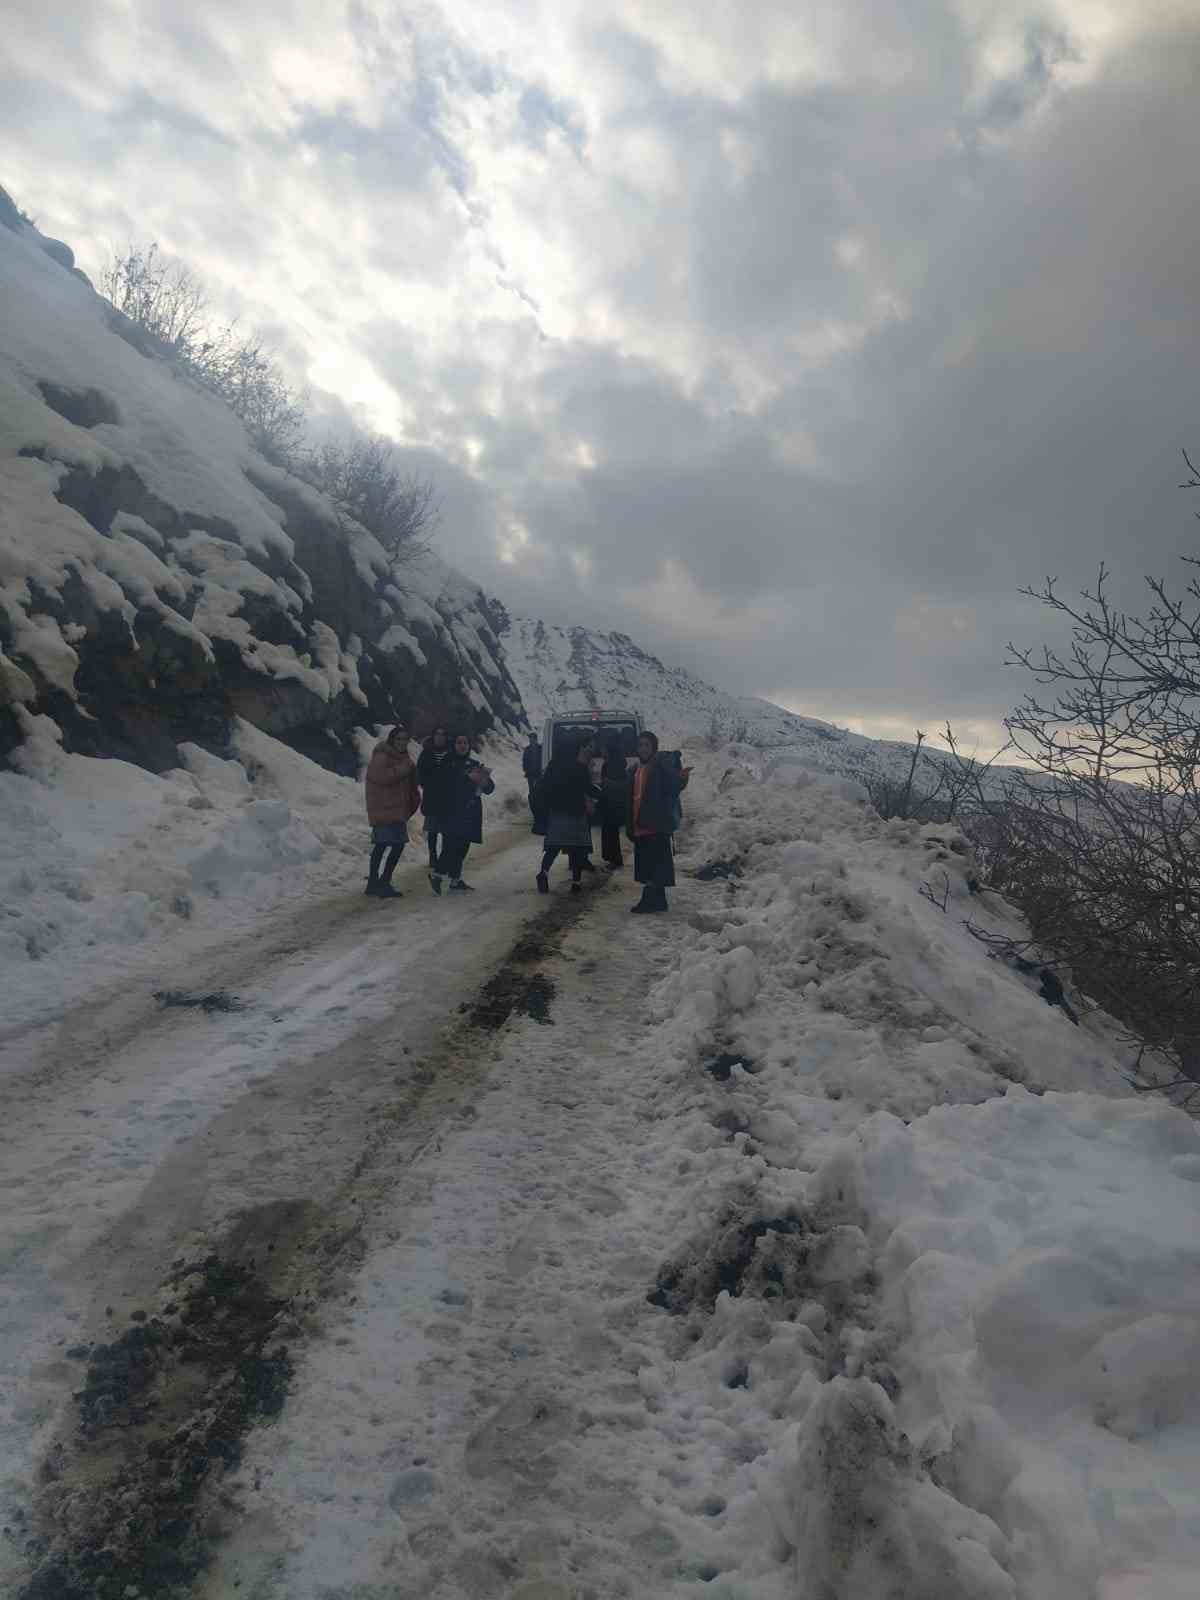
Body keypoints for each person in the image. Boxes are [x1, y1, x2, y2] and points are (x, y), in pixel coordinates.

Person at [626, 731, 691, 913]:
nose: (643, 749)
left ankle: (648, 901)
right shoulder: (638, 769)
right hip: (641, 824)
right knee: (651, 864)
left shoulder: (660, 766)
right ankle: (660, 901)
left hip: (654, 825)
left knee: (651, 865)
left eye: (647, 745)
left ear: (654, 747)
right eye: (640, 745)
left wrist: (682, 779)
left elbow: (673, 785)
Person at [363, 722, 421, 898]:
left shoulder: (402, 757)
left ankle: (378, 882)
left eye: (405, 739)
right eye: (399, 739)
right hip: (384, 810)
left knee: (393, 845)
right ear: (392, 739)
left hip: (395, 810)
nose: (402, 742)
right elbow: (381, 777)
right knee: (384, 846)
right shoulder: (383, 755)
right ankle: (378, 882)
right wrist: (405, 769)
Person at [536, 736, 598, 895]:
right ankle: (576, 883)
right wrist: (602, 793)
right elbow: (588, 788)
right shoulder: (579, 767)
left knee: (552, 848)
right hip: (576, 814)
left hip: (556, 814)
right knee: (577, 850)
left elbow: (543, 788)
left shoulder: (552, 766)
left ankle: (543, 872)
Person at [434, 733, 495, 892]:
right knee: (451, 845)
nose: (462, 745)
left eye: (465, 742)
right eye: (459, 742)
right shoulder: (447, 762)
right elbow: (445, 786)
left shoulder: (474, 764)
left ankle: (455, 880)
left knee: (463, 846)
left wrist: (485, 780)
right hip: (452, 810)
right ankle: (437, 875)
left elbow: (489, 789)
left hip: (471, 810)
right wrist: (469, 779)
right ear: (454, 745)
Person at [417, 725, 456, 890]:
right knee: (432, 829)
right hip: (432, 796)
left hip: (448, 798)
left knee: (447, 830)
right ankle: (433, 856)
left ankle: (443, 859)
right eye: (437, 734)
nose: (440, 737)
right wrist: (430, 783)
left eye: (443, 734)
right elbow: (420, 773)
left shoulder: (451, 752)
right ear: (433, 736)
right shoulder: (426, 753)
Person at [599, 738, 627, 869]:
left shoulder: (615, 765)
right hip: (609, 803)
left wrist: (606, 784)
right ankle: (612, 858)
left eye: (604, 749)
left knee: (612, 833)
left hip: (614, 804)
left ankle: (616, 860)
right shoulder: (609, 763)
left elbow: (618, 785)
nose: (601, 751)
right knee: (609, 832)